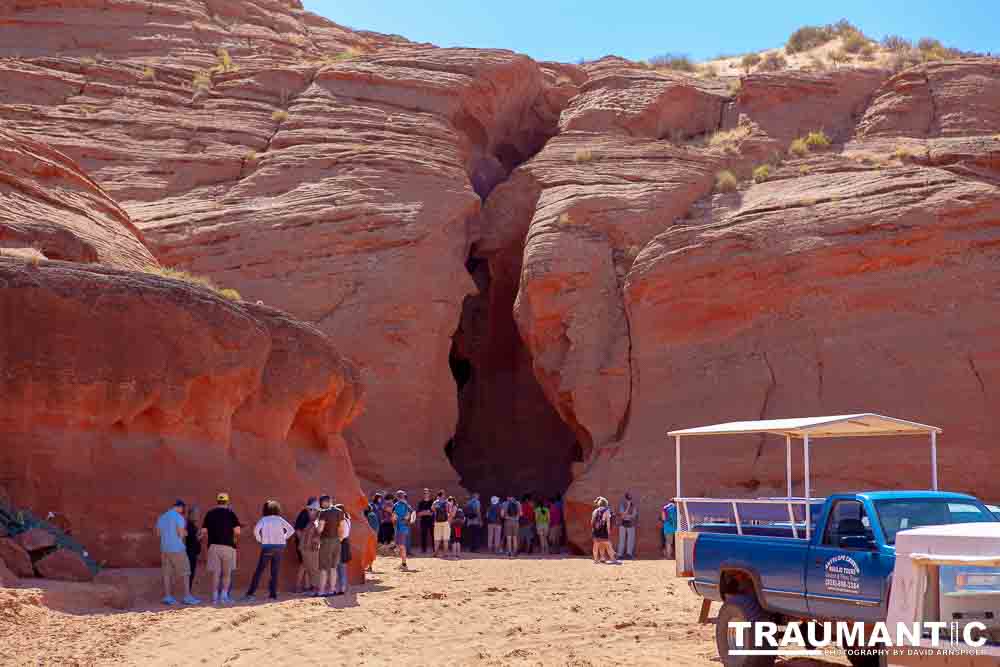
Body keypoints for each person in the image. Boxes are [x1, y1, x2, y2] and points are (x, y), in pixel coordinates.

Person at [244, 500, 295, 601]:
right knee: (274, 571)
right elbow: (291, 530)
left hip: (267, 547)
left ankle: (251, 593)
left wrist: (261, 539)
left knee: (259, 570)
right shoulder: (280, 519)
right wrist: (283, 537)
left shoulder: (264, 519)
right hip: (279, 547)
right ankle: (273, 595)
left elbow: (256, 531)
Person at [200, 492, 241, 604]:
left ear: (217, 501)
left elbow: (204, 531)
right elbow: (237, 531)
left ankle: (214, 597)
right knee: (226, 574)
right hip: (228, 546)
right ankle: (224, 596)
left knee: (216, 573)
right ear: (227, 501)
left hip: (213, 546)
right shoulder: (231, 513)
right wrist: (235, 540)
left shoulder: (210, 513)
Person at [156, 500, 199, 605]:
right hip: (177, 548)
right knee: (186, 572)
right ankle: (187, 597)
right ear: (180, 507)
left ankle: (168, 597)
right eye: (183, 508)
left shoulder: (162, 517)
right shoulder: (178, 517)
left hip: (164, 549)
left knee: (167, 574)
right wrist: (185, 533)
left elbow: (158, 533)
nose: (183, 511)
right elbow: (180, 534)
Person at [315, 495, 344, 597]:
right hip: (337, 541)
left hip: (326, 541)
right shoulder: (339, 512)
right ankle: (332, 590)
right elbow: (342, 528)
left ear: (324, 502)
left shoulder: (323, 512)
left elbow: (320, 529)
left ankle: (321, 591)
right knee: (333, 567)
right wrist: (339, 539)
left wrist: (316, 525)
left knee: (323, 567)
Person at [295, 498, 319, 593]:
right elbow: (298, 530)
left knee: (308, 565)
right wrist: (304, 543)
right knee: (304, 565)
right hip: (304, 544)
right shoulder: (304, 514)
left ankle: (307, 586)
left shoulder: (314, 514)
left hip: (308, 545)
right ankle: (298, 586)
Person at [391, 490, 413, 570]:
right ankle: (403, 563)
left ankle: (404, 564)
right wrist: (405, 519)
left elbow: (394, 517)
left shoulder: (396, 505)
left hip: (399, 528)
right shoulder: (407, 505)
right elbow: (410, 515)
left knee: (401, 546)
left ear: (397, 497)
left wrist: (395, 522)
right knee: (401, 546)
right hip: (405, 528)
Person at [591, 497, 618, 564]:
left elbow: (592, 521)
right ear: (606, 503)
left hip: (596, 530)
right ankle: (613, 559)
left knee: (596, 545)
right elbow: (608, 522)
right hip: (603, 530)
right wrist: (608, 531)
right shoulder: (607, 511)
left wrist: (594, 529)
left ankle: (596, 560)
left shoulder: (595, 511)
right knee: (608, 545)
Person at [334, 504, 351, 595]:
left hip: (340, 543)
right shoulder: (347, 519)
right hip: (345, 543)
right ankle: (343, 587)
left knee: (338, 567)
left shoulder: (342, 521)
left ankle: (339, 588)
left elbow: (340, 536)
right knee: (342, 567)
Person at [185, 505, 201, 592]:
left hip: (192, 553)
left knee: (190, 574)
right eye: (195, 514)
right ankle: (187, 594)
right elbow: (191, 539)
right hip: (189, 553)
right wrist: (199, 536)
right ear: (190, 515)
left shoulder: (192, 525)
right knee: (189, 574)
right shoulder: (189, 526)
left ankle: (188, 593)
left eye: (198, 514)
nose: (197, 516)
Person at [617, 492, 638, 560]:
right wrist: (628, 507)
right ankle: (620, 554)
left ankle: (629, 554)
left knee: (630, 540)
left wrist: (626, 515)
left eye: (630, 499)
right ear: (625, 499)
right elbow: (622, 516)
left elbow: (634, 515)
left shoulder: (634, 505)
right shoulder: (622, 505)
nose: (629, 500)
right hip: (622, 524)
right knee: (621, 540)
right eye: (628, 499)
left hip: (631, 524)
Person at [431, 490, 450, 557]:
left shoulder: (435, 502)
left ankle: (435, 553)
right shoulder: (446, 502)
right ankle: (445, 553)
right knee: (445, 539)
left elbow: (433, 510)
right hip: (445, 522)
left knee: (437, 538)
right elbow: (449, 511)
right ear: (443, 495)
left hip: (437, 522)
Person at [417, 488, 434, 554]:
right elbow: (418, 513)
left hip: (431, 521)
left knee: (433, 535)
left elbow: (432, 513)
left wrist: (424, 512)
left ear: (429, 494)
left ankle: (434, 549)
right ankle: (423, 550)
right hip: (423, 521)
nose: (425, 494)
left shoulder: (432, 502)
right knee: (423, 535)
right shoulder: (421, 503)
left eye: (427, 493)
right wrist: (427, 512)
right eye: (424, 493)